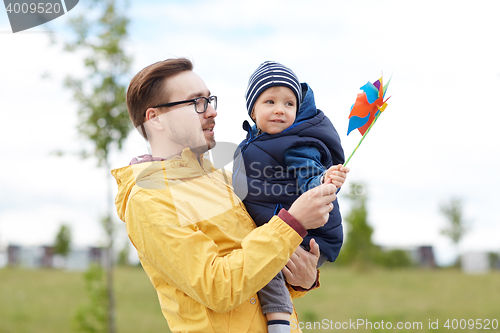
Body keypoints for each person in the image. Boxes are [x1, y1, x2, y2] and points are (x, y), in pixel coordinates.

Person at [111, 58, 339, 333]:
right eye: (197, 103)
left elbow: (260, 270)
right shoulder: (149, 199)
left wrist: (302, 278)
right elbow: (218, 288)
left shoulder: (223, 179)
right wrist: (292, 222)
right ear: (156, 119)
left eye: (210, 101)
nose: (212, 112)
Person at [232, 61, 349, 333]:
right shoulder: (253, 143)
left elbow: (310, 178)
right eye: (270, 101)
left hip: (307, 235)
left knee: (265, 264)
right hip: (280, 225)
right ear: (252, 110)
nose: (279, 110)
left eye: (288, 104)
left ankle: (280, 324)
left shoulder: (296, 144)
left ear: (297, 110)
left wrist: (323, 181)